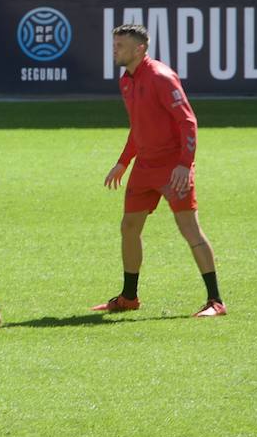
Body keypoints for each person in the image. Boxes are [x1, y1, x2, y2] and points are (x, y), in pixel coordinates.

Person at [93, 24, 225, 318]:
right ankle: (129, 297)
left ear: (140, 49)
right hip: (144, 168)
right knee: (129, 227)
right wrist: (123, 162)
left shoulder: (161, 77)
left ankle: (216, 301)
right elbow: (138, 126)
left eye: (121, 46)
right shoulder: (126, 81)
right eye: (114, 45)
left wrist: (184, 164)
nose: (115, 50)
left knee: (189, 228)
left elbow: (188, 122)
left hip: (171, 168)